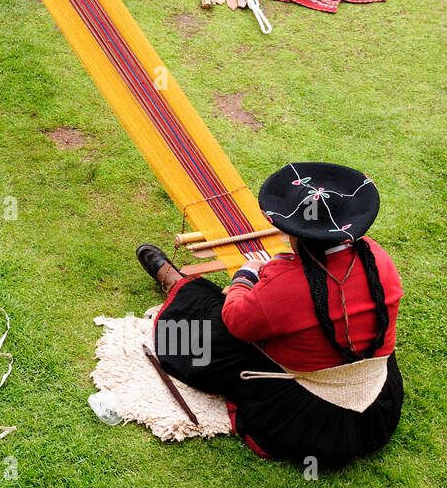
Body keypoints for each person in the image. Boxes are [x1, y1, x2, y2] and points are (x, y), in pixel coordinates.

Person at [135, 162, 403, 470]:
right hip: (378, 411)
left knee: (211, 325)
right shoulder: (377, 258)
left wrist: (245, 276)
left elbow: (235, 320)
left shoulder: (285, 284)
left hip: (311, 424)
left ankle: (176, 283)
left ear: (297, 235)